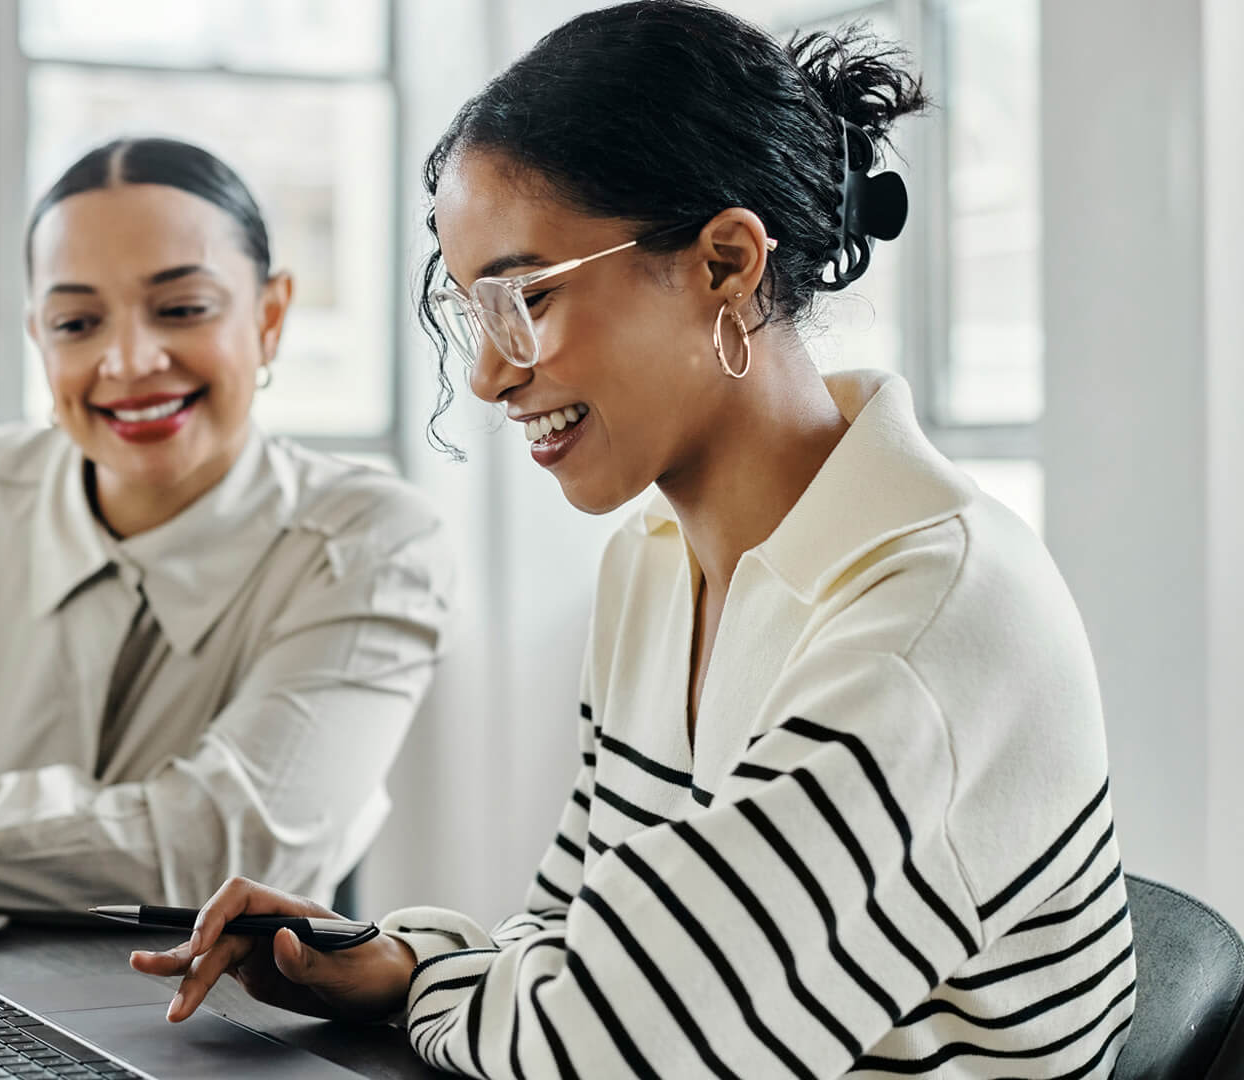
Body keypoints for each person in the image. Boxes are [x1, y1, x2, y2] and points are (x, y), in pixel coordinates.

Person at [133, 4, 1134, 1077]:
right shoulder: (654, 563)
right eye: (475, 311)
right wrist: (398, 958)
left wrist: (434, 981)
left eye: (528, 296)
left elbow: (610, 1042)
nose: (489, 375)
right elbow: (572, 935)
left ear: (726, 263)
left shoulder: (930, 619)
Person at [0, 137, 452, 912]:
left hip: (217, 990)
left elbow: (218, 858)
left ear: (271, 316)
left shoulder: (370, 542)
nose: (129, 361)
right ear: (38, 339)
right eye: (76, 323)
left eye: (181, 310)